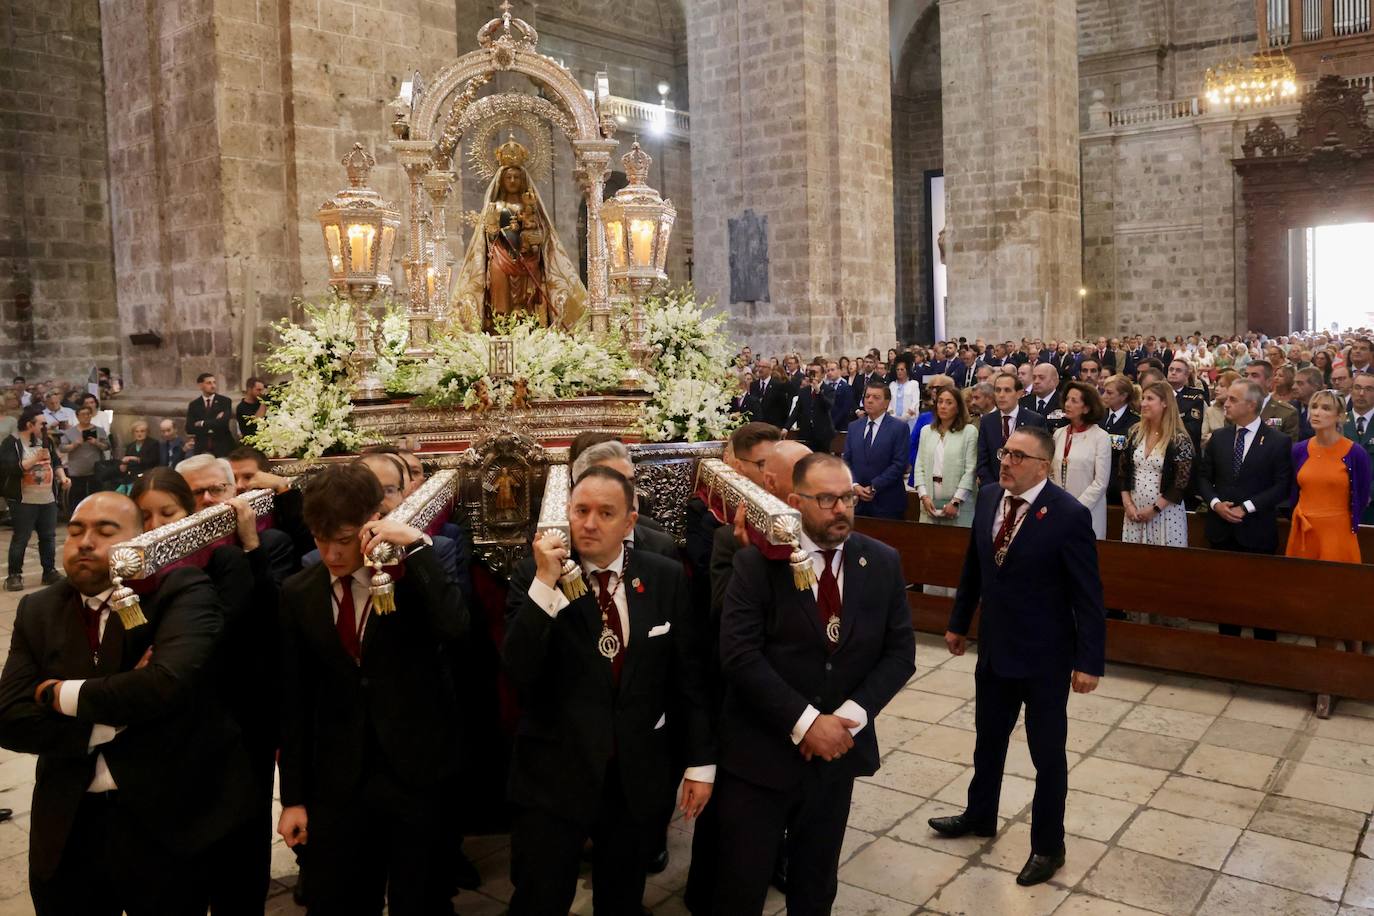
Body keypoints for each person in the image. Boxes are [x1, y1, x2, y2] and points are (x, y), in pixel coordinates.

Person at [0, 491, 254, 913]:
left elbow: (165, 684)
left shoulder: (181, 591)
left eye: (105, 531)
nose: (84, 541)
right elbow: (8, 718)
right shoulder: (39, 608)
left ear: (141, 540)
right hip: (69, 823)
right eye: (77, 529)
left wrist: (53, 692)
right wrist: (114, 718)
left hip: (163, 824)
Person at [503, 466, 713, 915]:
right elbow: (519, 668)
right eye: (580, 510)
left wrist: (700, 762)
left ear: (629, 522)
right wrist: (545, 583)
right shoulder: (534, 575)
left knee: (622, 894)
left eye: (605, 512)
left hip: (635, 771)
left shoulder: (663, 576)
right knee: (540, 895)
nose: (590, 523)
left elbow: (687, 676)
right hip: (555, 770)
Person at [714, 453, 915, 913]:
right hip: (761, 755)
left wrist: (843, 721)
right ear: (794, 501)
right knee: (741, 884)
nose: (841, 508)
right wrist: (807, 723)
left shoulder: (880, 562)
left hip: (835, 759)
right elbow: (740, 655)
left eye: (846, 497)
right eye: (826, 499)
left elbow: (900, 654)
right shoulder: (759, 564)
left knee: (816, 883)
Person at [276, 462, 468, 915]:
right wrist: (294, 799)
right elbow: (294, 698)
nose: (332, 555)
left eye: (343, 540)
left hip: (415, 769)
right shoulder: (299, 592)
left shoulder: (413, 571)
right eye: (320, 540)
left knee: (419, 899)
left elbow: (455, 629)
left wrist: (414, 549)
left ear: (372, 520)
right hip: (339, 778)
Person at [931, 427, 1104, 886]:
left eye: (1018, 456)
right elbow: (975, 566)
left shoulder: (1067, 515)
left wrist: (1088, 662)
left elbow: (1087, 596)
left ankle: (1049, 846)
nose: (1005, 461)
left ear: (1043, 467)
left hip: (1045, 657)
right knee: (988, 739)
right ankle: (979, 814)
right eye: (1005, 452)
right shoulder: (989, 497)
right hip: (995, 648)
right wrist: (958, 621)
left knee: (1048, 756)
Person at [130, 467, 280, 910]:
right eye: (145, 516)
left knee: (240, 842)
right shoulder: (130, 570)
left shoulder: (225, 558)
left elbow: (236, 633)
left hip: (231, 716)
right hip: (168, 725)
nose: (156, 526)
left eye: (167, 512)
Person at [1288, 389, 1372, 717]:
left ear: (1340, 416)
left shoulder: (1355, 453)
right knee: (1313, 607)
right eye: (1313, 407)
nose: (1317, 413)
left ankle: (1349, 670)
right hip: (1306, 532)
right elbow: (1296, 491)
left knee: (1339, 606)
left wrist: (1336, 524)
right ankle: (1325, 674)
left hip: (1337, 534)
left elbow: (1362, 497)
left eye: (1325, 408)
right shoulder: (1299, 449)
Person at [1195, 379, 1292, 640]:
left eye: (1232, 400)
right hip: (1221, 528)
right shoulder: (1220, 437)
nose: (1225, 404)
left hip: (1256, 530)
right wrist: (1215, 503)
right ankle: (1228, 651)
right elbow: (1203, 477)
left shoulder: (1277, 441)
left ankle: (1263, 653)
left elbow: (1282, 486)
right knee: (1225, 599)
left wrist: (1246, 508)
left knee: (1259, 599)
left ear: (1251, 405)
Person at [1120, 381, 1194, 552]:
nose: (1143, 403)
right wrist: (1128, 505)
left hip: (1166, 514)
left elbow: (1180, 482)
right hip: (1134, 511)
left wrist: (1155, 509)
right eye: (1143, 398)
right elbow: (1123, 471)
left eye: (1150, 399)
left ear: (1165, 402)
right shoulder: (1135, 432)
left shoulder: (1178, 439)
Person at [1, 407, 70, 591]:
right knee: (21, 538)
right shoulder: (12, 443)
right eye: (42, 423)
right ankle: (14, 575)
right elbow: (9, 468)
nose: (45, 427)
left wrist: (62, 477)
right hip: (24, 501)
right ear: (29, 424)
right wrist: (33, 460)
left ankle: (49, 571)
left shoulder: (45, 441)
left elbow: (55, 462)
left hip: (47, 499)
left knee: (48, 537)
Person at [1052, 381, 1113, 539]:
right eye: (1067, 399)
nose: (1067, 404)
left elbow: (1100, 483)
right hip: (1058, 510)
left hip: (1087, 511)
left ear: (1086, 408)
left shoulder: (1100, 437)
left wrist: (1074, 508)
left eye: (1074, 401)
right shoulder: (1059, 434)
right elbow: (1051, 473)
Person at [843, 380, 910, 519]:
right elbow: (847, 461)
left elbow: (899, 464)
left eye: (876, 397)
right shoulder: (854, 427)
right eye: (867, 397)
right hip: (857, 502)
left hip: (887, 502)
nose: (870, 401)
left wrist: (874, 486)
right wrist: (854, 484)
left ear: (886, 403)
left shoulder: (899, 428)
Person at [913, 388, 978, 526]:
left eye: (949, 403)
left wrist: (956, 501)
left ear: (958, 407)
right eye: (940, 402)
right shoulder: (926, 431)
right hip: (929, 500)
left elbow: (970, 470)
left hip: (958, 503)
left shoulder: (969, 432)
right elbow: (919, 466)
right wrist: (923, 496)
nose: (943, 406)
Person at [977, 374, 1047, 487]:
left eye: (1007, 390)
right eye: (998, 390)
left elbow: (1039, 459)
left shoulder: (1034, 420)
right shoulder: (987, 421)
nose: (1001, 395)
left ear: (1019, 394)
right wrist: (994, 488)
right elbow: (982, 461)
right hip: (994, 488)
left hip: (1025, 487)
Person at [59, 404, 111, 507]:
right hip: (77, 470)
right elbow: (62, 448)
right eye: (83, 414)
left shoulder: (99, 430)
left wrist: (96, 443)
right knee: (77, 496)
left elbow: (107, 446)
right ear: (77, 417)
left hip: (95, 469)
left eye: (88, 414)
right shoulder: (69, 432)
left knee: (96, 495)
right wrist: (75, 445)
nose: (86, 416)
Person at [1100, 374, 1140, 506]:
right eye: (1104, 391)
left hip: (1119, 487)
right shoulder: (1098, 417)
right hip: (1099, 482)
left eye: (1109, 392)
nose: (1104, 395)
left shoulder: (1135, 422)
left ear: (1123, 396)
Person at [1244, 360, 1300, 442]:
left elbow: (1288, 447)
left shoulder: (1286, 413)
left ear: (1269, 382)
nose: (1248, 379)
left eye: (1254, 376)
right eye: (1246, 375)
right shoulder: (1235, 408)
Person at [186, 373, 236, 457]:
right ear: (200, 385)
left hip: (222, 447)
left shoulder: (225, 401)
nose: (213, 386)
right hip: (202, 448)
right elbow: (189, 428)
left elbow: (223, 423)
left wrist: (202, 423)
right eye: (209, 383)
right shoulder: (194, 405)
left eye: (214, 382)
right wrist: (215, 421)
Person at [789, 365, 837, 454]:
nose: (813, 375)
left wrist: (818, 392)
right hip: (807, 433)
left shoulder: (829, 390)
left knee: (822, 460)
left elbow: (828, 405)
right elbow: (797, 410)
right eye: (811, 372)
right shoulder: (804, 391)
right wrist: (786, 427)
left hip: (823, 433)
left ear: (823, 375)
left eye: (816, 372)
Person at [1020, 363, 1064, 429]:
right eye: (1034, 378)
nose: (1036, 381)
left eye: (1041, 378)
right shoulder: (1022, 403)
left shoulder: (1064, 404)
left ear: (1055, 381)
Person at [1202, 371, 1240, 447]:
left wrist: (1214, 436)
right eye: (1217, 385)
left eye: (1222, 386)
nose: (1216, 389)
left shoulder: (1242, 410)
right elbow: (1203, 439)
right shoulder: (1210, 411)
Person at [888, 359, 921, 431]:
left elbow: (915, 402)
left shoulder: (913, 384)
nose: (899, 371)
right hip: (893, 421)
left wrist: (906, 416)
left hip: (909, 421)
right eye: (898, 369)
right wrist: (893, 415)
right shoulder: (892, 385)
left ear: (907, 370)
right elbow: (888, 402)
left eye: (902, 369)